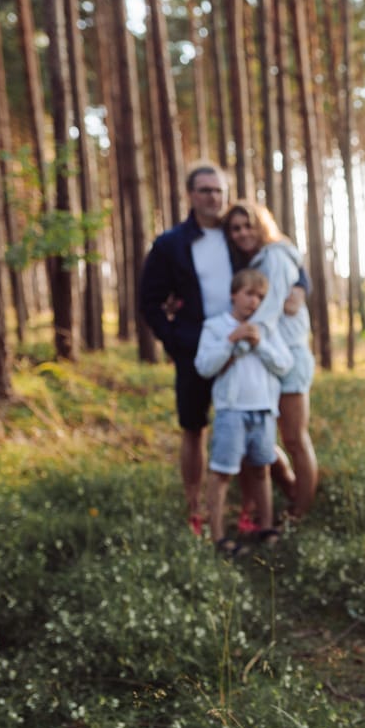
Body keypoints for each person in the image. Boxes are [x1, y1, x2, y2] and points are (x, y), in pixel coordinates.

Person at [139, 162, 236, 535]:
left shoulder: (239, 234)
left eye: (218, 190)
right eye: (205, 190)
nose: (212, 197)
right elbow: (150, 301)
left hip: (239, 351)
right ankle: (195, 509)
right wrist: (177, 341)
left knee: (240, 423)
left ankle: (245, 507)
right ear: (190, 195)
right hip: (194, 351)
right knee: (194, 428)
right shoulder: (170, 244)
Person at [221, 200, 318, 521]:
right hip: (266, 357)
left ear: (262, 224)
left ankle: (300, 512)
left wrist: (239, 345)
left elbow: (270, 308)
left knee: (293, 437)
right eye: (235, 228)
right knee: (258, 433)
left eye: (248, 225)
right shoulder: (254, 261)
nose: (242, 233)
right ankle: (290, 487)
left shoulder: (275, 256)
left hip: (288, 354)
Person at [194, 268, 292, 553]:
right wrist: (231, 341)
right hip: (231, 412)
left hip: (263, 411)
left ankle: (266, 526)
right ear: (233, 294)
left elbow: (284, 365)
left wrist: (259, 344)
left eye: (261, 297)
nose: (254, 302)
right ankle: (219, 535)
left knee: (261, 469)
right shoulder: (216, 327)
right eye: (249, 294)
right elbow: (204, 367)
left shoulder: (267, 329)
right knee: (222, 471)